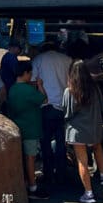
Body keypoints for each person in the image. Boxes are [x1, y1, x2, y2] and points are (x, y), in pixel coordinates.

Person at [63, 59, 103, 203]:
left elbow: (67, 113)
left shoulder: (70, 91)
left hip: (77, 131)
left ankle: (88, 193)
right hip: (94, 127)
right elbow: (102, 108)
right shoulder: (95, 88)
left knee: (82, 161)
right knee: (97, 148)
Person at [5, 59, 47, 198]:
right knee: (30, 158)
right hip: (31, 128)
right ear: (25, 73)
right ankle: (33, 187)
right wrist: (40, 85)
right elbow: (44, 99)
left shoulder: (12, 89)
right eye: (30, 73)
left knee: (22, 158)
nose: (31, 76)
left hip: (17, 127)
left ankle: (23, 184)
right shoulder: (28, 90)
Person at [31, 41, 72, 182]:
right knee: (62, 142)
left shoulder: (38, 59)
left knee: (45, 142)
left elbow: (32, 81)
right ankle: (62, 172)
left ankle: (48, 172)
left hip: (46, 106)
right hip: (65, 106)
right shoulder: (67, 60)